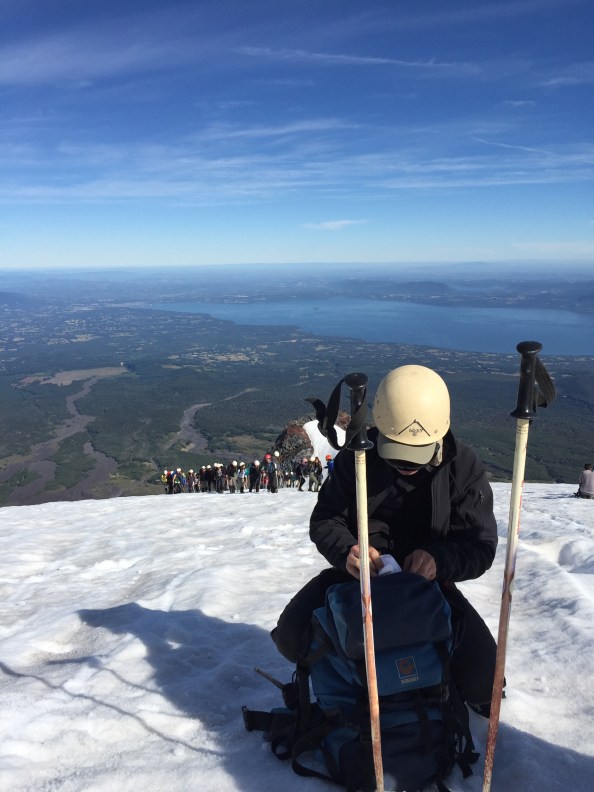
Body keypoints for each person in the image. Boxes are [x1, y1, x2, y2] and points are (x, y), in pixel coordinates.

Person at [271, 364, 499, 717]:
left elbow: (479, 545)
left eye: (416, 456)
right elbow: (326, 519)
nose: (406, 465)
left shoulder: (462, 468)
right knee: (289, 637)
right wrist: (347, 552)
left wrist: (438, 560)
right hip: (357, 579)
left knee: (486, 683)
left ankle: (434, 681)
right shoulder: (358, 456)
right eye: (397, 454)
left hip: (428, 587)